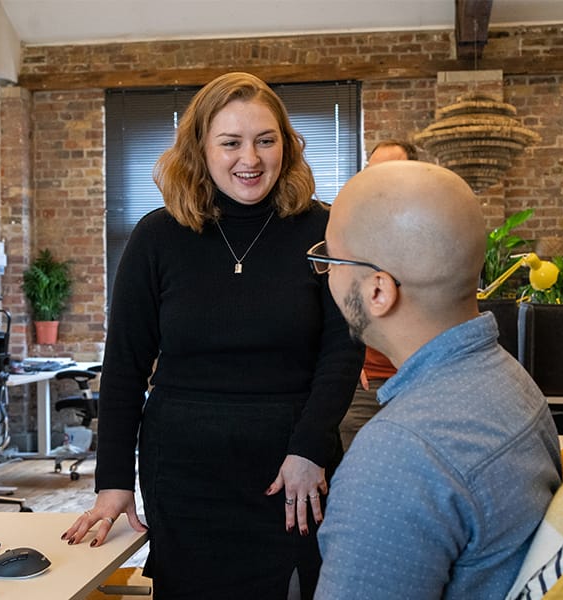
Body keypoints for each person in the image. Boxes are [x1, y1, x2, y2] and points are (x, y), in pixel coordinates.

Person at [60, 72, 363, 599]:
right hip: (183, 476)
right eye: (231, 142)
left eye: (266, 141)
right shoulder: (156, 237)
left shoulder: (324, 230)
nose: (251, 158)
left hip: (293, 470)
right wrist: (112, 483)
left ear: (286, 147)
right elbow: (126, 366)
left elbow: (342, 350)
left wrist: (310, 448)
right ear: (201, 149)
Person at [310, 160, 561, 598]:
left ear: (378, 291)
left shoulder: (397, 456)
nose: (326, 274)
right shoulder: (511, 381)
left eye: (330, 259)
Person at [338, 138, 418, 451]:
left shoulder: (430, 229)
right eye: (371, 172)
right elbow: (337, 300)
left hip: (417, 381)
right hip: (365, 383)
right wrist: (347, 358)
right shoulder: (351, 231)